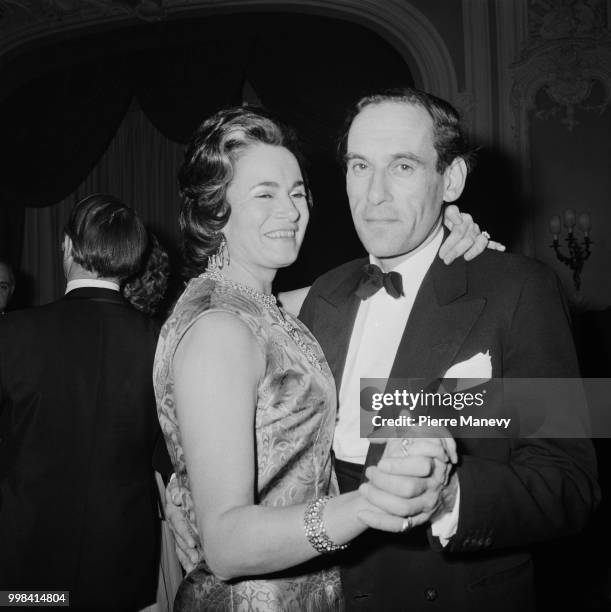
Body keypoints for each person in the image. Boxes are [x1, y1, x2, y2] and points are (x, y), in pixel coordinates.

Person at [171, 89, 599, 611]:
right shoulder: (321, 296)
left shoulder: (518, 289)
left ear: (452, 179)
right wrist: (183, 488)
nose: (373, 194)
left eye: (402, 166)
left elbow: (570, 481)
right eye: (358, 166)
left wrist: (450, 497)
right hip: (316, 591)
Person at [153, 106, 490, 611]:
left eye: (296, 193)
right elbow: (226, 542)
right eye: (263, 194)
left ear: (449, 177)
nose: (290, 211)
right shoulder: (218, 325)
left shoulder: (297, 303)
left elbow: (570, 427)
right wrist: (367, 504)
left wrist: (446, 230)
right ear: (214, 209)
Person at [0, 194, 162, 610]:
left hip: (29, 565)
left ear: (67, 246)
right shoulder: (161, 340)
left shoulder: (12, 333)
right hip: (120, 565)